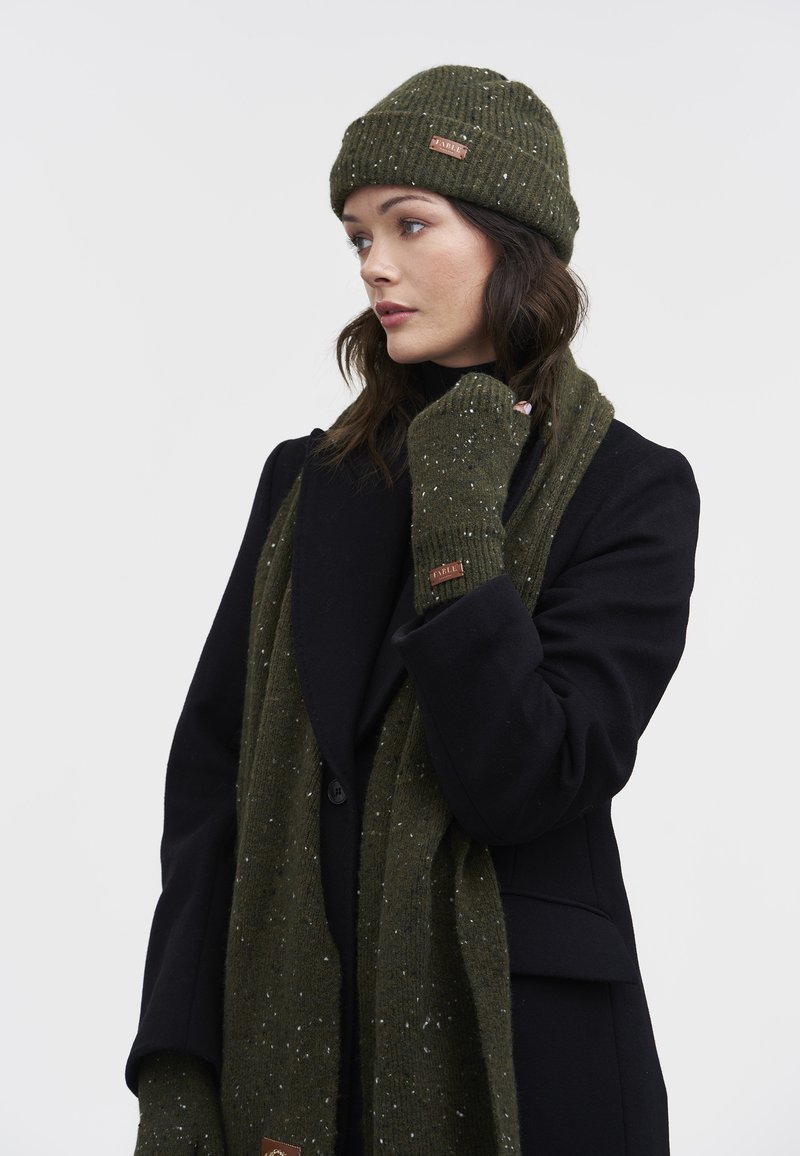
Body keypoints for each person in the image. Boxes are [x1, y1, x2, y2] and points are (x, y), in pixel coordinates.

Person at [127, 65, 700, 1156]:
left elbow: (529, 778)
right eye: (357, 236)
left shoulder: (630, 488)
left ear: (513, 242)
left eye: (409, 223)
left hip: (531, 1069)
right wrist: (176, 1066)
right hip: (292, 1066)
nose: (373, 265)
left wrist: (459, 512)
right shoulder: (304, 483)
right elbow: (210, 789)